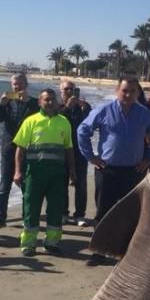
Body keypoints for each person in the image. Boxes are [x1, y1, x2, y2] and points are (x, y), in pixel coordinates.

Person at [77, 77, 150, 265]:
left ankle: (125, 254)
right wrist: (91, 157)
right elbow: (83, 131)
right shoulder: (103, 110)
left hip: (134, 171)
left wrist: (148, 158)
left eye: (132, 91)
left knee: (131, 214)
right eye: (125, 91)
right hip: (107, 170)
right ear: (118, 90)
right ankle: (98, 251)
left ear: (137, 93)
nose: (128, 95)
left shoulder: (144, 114)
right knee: (103, 212)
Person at [13, 89, 75, 256]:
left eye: (52, 100)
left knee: (56, 209)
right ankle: (28, 244)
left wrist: (72, 172)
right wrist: (17, 172)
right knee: (31, 209)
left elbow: (69, 149)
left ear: (56, 102)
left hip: (57, 174)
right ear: (39, 102)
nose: (49, 103)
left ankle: (52, 242)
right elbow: (20, 149)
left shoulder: (64, 122)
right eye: (46, 100)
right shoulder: (30, 121)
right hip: (34, 173)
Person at [0, 72, 39, 228]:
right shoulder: (7, 102)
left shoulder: (34, 103)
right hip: (8, 148)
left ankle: (26, 217)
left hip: (28, 148)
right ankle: (0, 218)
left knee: (27, 185)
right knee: (4, 185)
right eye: (14, 84)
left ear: (26, 84)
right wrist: (1, 104)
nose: (17, 86)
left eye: (19, 83)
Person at [58, 80, 92, 226]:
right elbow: (56, 122)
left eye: (72, 89)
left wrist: (85, 110)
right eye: (66, 89)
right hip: (62, 151)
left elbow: (90, 127)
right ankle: (64, 213)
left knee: (81, 185)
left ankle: (79, 215)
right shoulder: (58, 107)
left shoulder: (84, 107)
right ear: (61, 92)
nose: (70, 92)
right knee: (61, 184)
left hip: (80, 151)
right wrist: (66, 108)